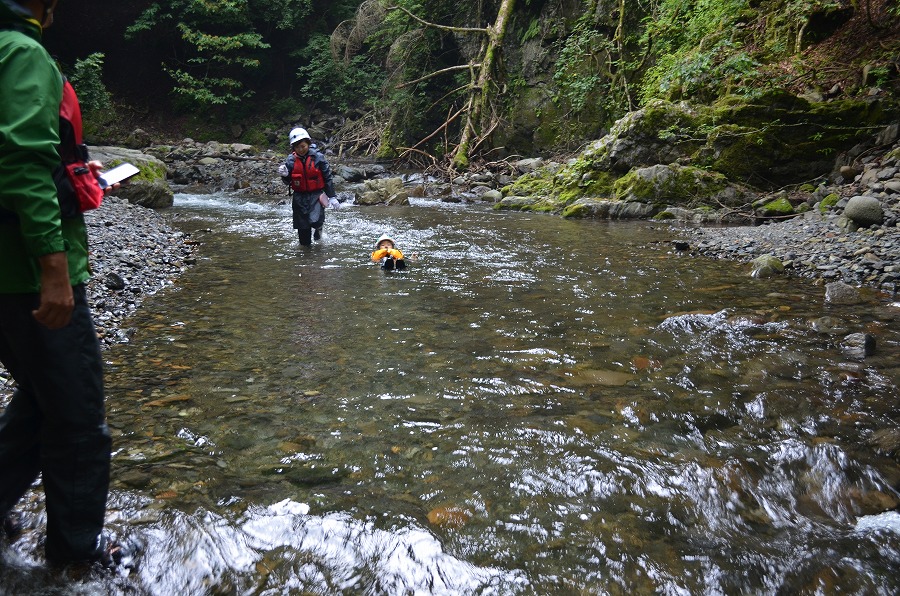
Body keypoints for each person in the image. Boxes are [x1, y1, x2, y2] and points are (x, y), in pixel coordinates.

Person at [0, 0, 119, 567]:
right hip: (26, 273)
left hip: (4, 273)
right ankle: (76, 560)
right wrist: (54, 270)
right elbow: (22, 166)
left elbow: (28, 162)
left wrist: (74, 176)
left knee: (43, 399)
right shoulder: (22, 52)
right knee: (76, 417)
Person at [277, 127, 340, 246]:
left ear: (308, 143)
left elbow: (327, 177)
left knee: (316, 221)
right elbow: (288, 181)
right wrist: (285, 175)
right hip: (299, 197)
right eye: (297, 147)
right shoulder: (290, 160)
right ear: (293, 148)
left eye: (303, 146)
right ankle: (306, 258)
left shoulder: (318, 157)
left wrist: (332, 196)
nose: (301, 149)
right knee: (303, 230)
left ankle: (319, 230)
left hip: (316, 195)